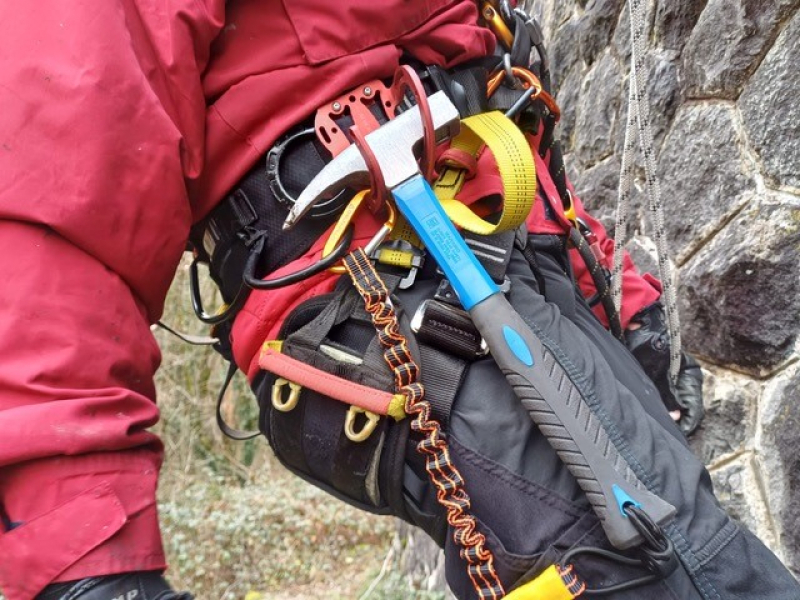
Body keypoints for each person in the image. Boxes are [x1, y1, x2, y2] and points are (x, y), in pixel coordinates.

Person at [0, 2, 794, 599]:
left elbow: (485, 101)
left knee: (683, 536)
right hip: (373, 291)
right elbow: (63, 159)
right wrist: (81, 541)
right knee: (672, 565)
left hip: (493, 255)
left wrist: (610, 287)